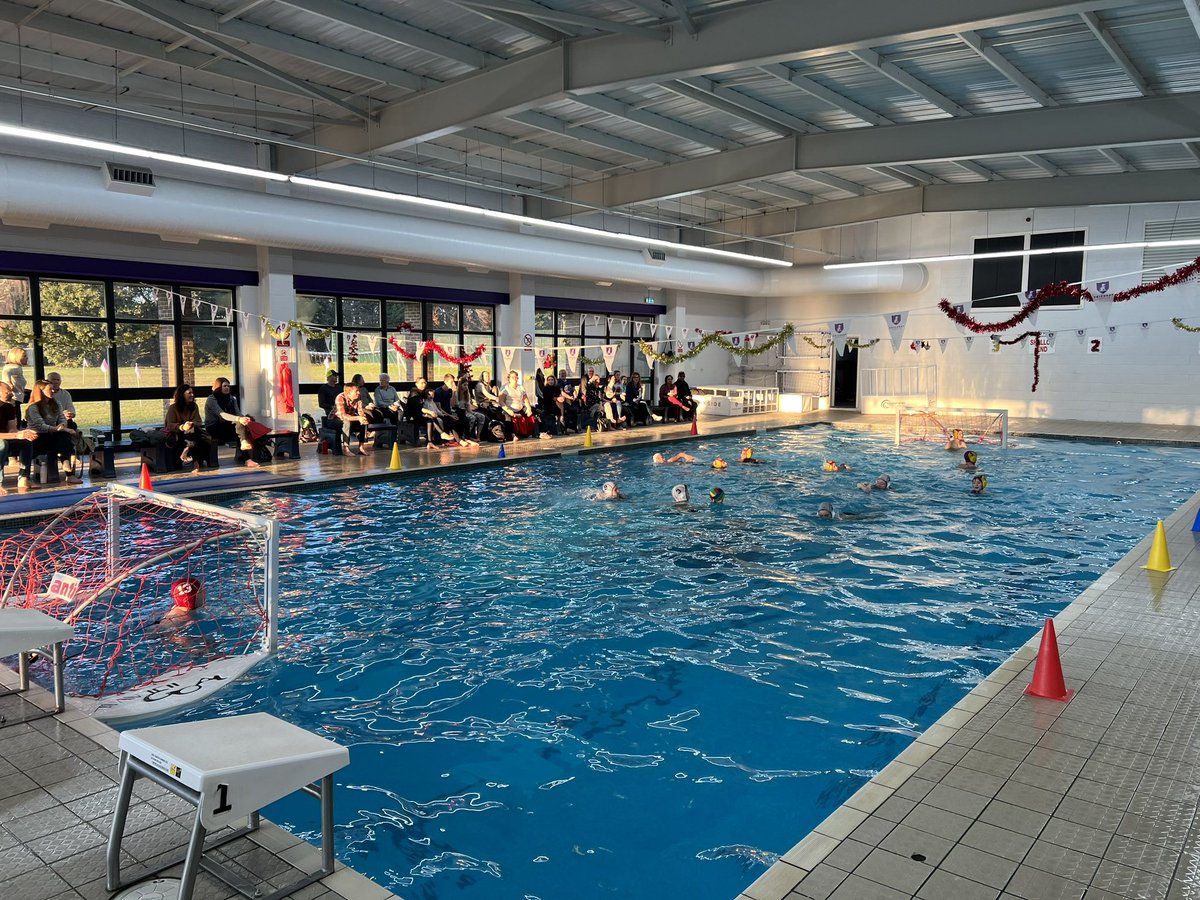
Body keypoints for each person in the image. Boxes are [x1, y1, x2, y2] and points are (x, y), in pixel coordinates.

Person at [25, 379, 83, 484]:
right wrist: (59, 428)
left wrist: (62, 426)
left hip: (52, 434)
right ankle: (67, 467)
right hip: (37, 436)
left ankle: (68, 471)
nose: (53, 391)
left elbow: (62, 419)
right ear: (41, 391)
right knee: (64, 435)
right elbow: (40, 425)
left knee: (64, 436)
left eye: (53, 389)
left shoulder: (56, 403)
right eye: (50, 389)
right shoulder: (33, 407)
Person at [203, 377, 262, 467]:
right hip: (214, 427)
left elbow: (238, 413)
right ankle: (245, 449)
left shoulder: (231, 399)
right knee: (240, 428)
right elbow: (222, 414)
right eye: (224, 386)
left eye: (228, 386)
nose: (227, 388)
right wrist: (239, 419)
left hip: (227, 425)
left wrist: (245, 418)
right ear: (218, 387)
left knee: (242, 426)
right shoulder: (211, 399)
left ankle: (247, 457)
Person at [46, 372, 92, 467]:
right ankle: (68, 456)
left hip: (63, 422)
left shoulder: (65, 394)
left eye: (57, 380)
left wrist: (68, 414)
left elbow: (71, 411)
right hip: (49, 424)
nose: (55, 382)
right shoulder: (43, 397)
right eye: (53, 380)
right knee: (64, 434)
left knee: (69, 429)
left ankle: (69, 456)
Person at [165, 383, 213, 473]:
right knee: (192, 433)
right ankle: (193, 458)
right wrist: (183, 427)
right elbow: (170, 425)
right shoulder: (173, 408)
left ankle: (189, 453)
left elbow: (198, 422)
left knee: (192, 430)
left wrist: (190, 424)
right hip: (178, 434)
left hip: (193, 433)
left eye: (192, 393)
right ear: (182, 394)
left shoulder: (194, 406)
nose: (192, 395)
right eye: (189, 393)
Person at [0, 382, 36, 493]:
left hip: (6, 437)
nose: (11, 394)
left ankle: (24, 477)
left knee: (26, 442)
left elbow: (12, 429)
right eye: (8, 392)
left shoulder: (9, 407)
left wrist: (24, 433)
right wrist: (16, 435)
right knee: (2, 444)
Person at [334, 381, 372, 454]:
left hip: (350, 418)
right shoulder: (340, 397)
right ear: (349, 393)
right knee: (346, 422)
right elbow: (343, 416)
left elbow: (360, 411)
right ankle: (346, 448)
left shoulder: (358, 398)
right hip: (335, 420)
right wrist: (358, 418)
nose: (359, 393)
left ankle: (361, 447)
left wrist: (363, 418)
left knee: (363, 422)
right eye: (356, 391)